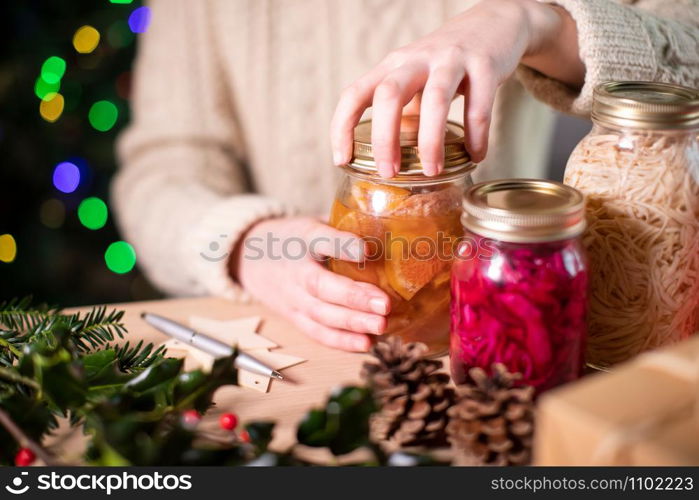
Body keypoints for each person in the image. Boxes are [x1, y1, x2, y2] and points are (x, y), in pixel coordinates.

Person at [114, 0, 699, 352]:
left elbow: (687, 50)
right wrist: (243, 242)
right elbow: (161, 167)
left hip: (499, 336)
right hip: (289, 335)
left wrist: (533, 20)